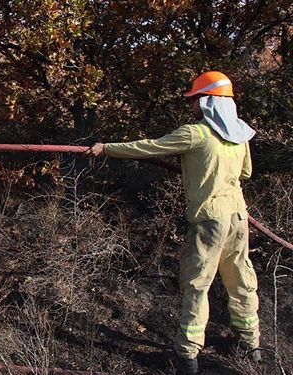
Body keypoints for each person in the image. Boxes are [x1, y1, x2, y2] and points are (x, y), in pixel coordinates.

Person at [86, 71, 260, 374]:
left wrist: (107, 148)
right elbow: (245, 173)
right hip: (238, 217)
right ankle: (251, 345)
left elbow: (148, 147)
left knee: (197, 285)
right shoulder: (241, 134)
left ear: (207, 102)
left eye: (195, 99)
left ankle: (187, 356)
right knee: (241, 282)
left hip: (210, 221)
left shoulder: (196, 133)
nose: (192, 105)